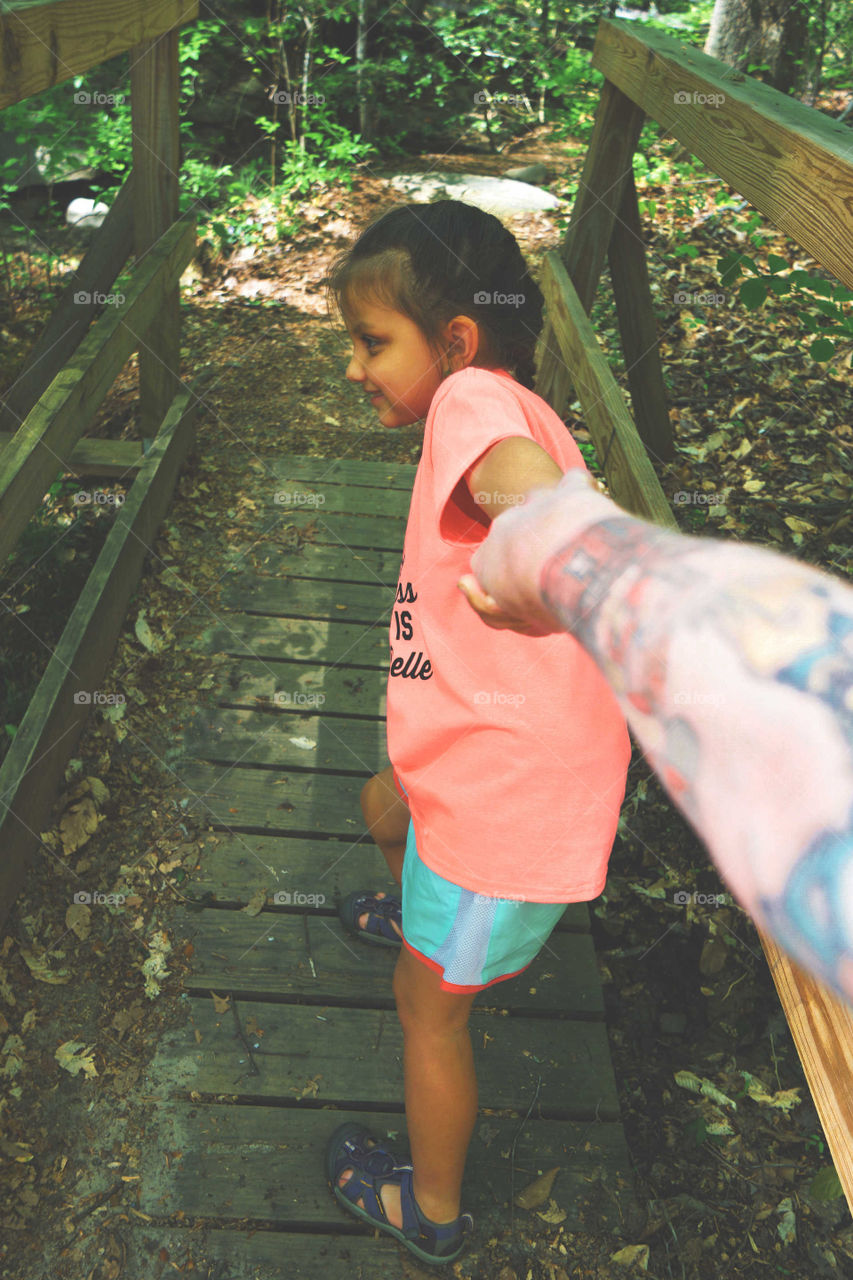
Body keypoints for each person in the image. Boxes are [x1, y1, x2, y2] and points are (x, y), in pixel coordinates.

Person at [322, 200, 632, 1266]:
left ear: (453, 339)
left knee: (429, 1009)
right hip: (484, 761)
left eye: (372, 343)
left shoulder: (472, 401)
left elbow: (519, 487)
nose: (356, 368)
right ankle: (415, 894)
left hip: (503, 825)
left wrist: (559, 545)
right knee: (390, 803)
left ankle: (433, 1210)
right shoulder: (498, 400)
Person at [457, 468, 853, 1008]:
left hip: (500, 844)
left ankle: (452, 966)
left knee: (440, 991)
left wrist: (556, 545)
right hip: (466, 808)